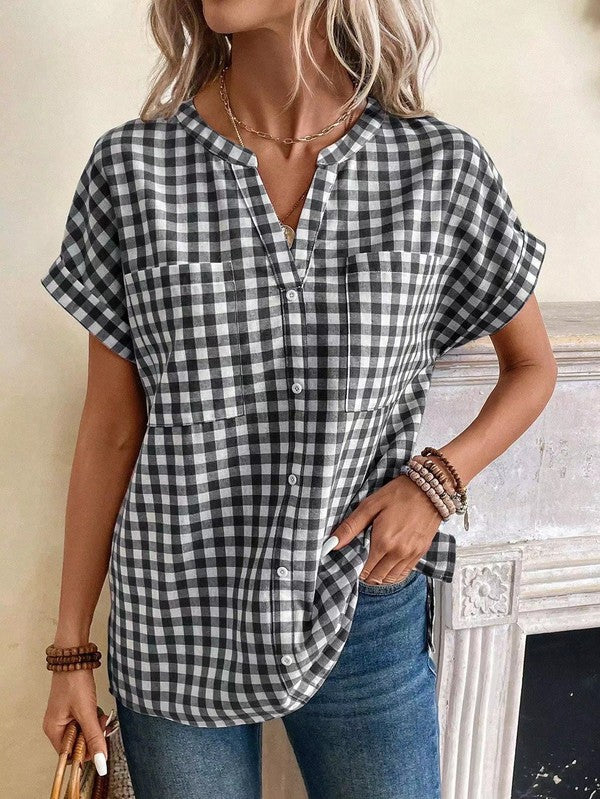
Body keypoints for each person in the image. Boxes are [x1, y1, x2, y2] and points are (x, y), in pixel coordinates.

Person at [40, 0, 557, 797]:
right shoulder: (133, 170)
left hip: (363, 603)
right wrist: (71, 649)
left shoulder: (438, 169)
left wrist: (436, 482)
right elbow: (111, 425)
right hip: (175, 615)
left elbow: (531, 367)